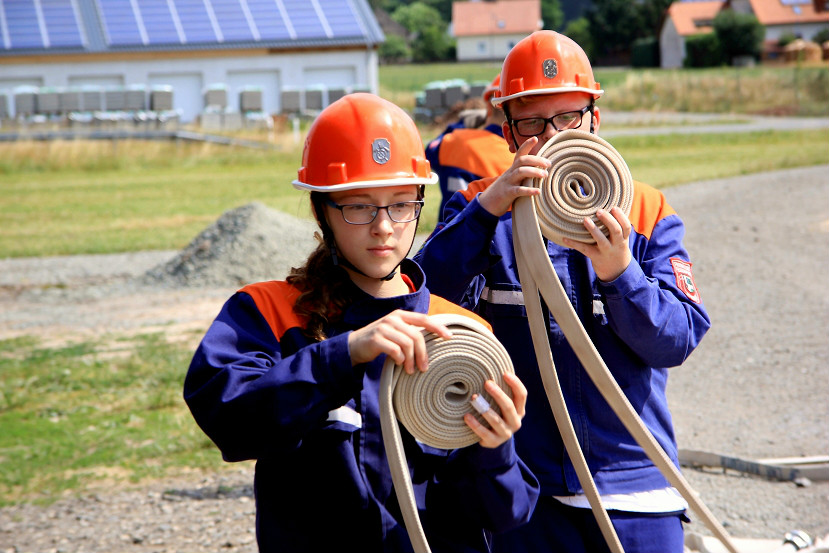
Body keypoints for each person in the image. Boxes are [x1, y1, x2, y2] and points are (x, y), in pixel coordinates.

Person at [183, 93, 539, 553]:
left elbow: (504, 514)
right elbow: (228, 418)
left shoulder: (460, 330)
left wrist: (496, 450)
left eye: (401, 204)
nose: (384, 227)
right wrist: (344, 353)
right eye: (359, 206)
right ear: (322, 211)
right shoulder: (269, 312)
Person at [415, 31, 711, 553]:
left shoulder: (646, 211)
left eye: (568, 117)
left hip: (634, 487)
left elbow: (676, 340)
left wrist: (620, 273)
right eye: (532, 121)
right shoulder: (480, 209)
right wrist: (487, 213)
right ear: (508, 132)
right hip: (526, 492)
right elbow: (419, 302)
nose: (551, 136)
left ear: (595, 118)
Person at [425, 75, 514, 221]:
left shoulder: (453, 141)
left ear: (488, 109)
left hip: (448, 230)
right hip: (488, 234)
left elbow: (429, 151)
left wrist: (460, 124)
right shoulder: (516, 159)